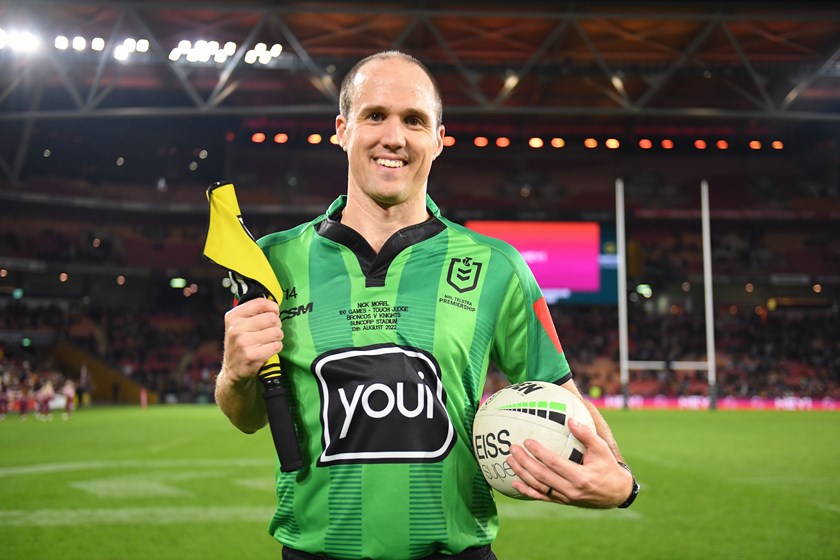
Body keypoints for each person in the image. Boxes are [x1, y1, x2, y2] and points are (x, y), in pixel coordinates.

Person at [215, 50, 638, 560]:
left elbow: (566, 400)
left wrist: (621, 483)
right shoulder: (274, 260)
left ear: (438, 141)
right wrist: (235, 374)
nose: (394, 136)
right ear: (343, 130)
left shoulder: (497, 266)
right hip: (315, 552)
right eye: (375, 116)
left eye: (414, 120)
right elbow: (246, 417)